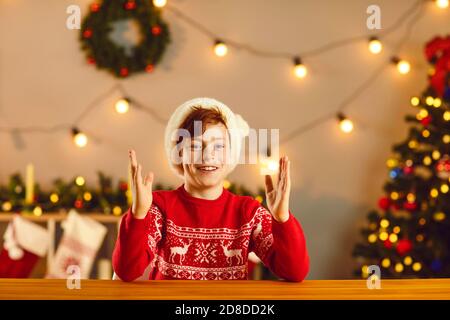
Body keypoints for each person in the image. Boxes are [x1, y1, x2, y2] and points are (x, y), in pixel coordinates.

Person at [112, 97, 309, 281]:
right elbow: (127, 271)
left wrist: (282, 218)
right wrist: (138, 215)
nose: (207, 156)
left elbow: (294, 272)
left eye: (219, 146)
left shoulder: (249, 213)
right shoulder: (159, 209)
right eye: (196, 146)